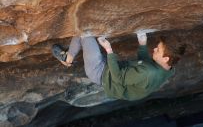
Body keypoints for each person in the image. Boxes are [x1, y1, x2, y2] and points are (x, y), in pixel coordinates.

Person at [52, 32, 186, 101]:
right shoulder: (168, 70)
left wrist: (109, 50)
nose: (155, 48)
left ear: (166, 58)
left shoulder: (147, 74)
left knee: (84, 34)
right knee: (91, 41)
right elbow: (146, 65)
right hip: (111, 70)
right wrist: (142, 45)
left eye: (158, 49)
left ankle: (67, 59)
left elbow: (118, 78)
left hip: (99, 72)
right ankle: (71, 56)